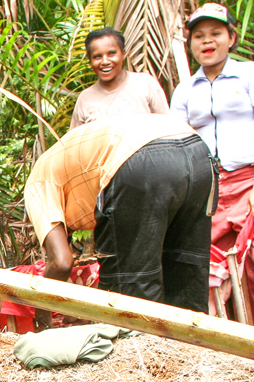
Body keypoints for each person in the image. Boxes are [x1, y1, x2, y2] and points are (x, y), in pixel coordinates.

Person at [169, 3, 254, 335]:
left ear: (230, 37)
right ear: (190, 43)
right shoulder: (184, 91)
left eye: (215, 33)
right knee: (189, 261)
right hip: (207, 189)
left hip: (252, 179)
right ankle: (209, 338)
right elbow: (179, 142)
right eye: (199, 36)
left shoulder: (251, 73)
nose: (207, 42)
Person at [24, 114, 214, 325]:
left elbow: (60, 262)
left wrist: (42, 320)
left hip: (139, 157)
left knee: (129, 298)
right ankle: (187, 353)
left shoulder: (36, 185)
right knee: (183, 271)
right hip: (197, 152)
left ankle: (142, 354)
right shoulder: (65, 168)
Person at [70, 27, 169, 129]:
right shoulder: (85, 98)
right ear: (90, 60)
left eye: (111, 54)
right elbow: (75, 142)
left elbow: (168, 128)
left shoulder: (146, 84)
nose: (105, 61)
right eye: (97, 56)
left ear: (123, 54)